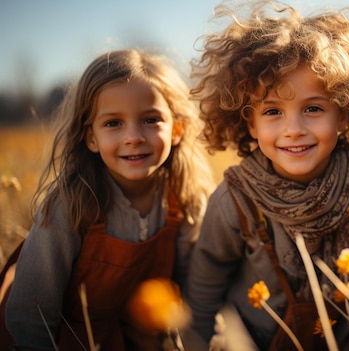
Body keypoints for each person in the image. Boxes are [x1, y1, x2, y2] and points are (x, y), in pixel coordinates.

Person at [184, 1, 349, 350]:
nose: (293, 129)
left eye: (313, 108)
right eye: (272, 111)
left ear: (342, 116)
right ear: (250, 123)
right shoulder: (235, 199)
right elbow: (205, 290)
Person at [1, 49, 215, 350]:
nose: (133, 137)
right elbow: (30, 314)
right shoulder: (70, 206)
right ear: (91, 138)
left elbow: (190, 296)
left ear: (177, 129)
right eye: (113, 123)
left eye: (151, 119)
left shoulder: (185, 199)